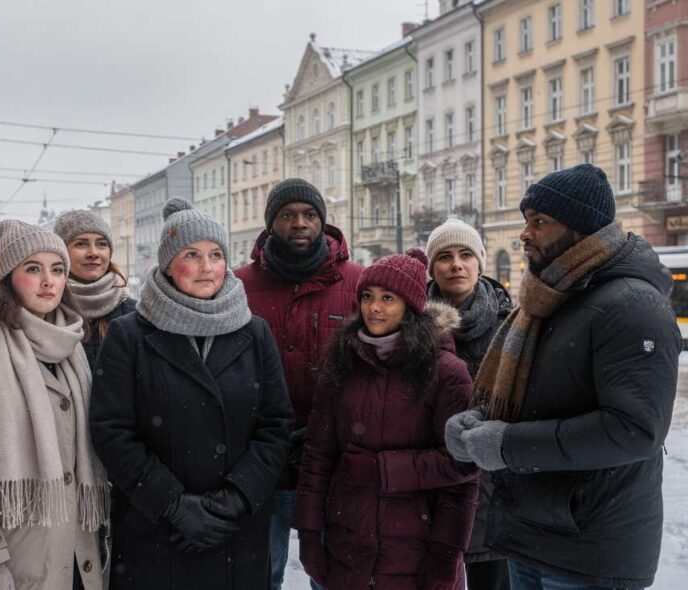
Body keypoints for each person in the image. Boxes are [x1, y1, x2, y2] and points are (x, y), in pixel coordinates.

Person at [445, 164, 681, 589]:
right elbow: (535, 396)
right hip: (532, 532)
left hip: (589, 546)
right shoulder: (548, 298)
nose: (524, 234)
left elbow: (634, 430)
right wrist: (478, 419)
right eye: (525, 221)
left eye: (539, 222)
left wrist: (507, 445)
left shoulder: (631, 305)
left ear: (581, 228)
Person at [91, 199, 294, 590]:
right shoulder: (129, 335)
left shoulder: (255, 333)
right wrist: (173, 505)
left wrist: (233, 499)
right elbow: (111, 430)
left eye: (216, 255)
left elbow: (276, 425)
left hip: (236, 531)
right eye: (192, 254)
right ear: (168, 264)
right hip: (156, 531)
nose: (207, 267)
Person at [0, 219, 110, 590]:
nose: (49, 281)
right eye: (33, 269)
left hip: (76, 554)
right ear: (8, 278)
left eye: (57, 269)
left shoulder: (71, 347)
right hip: (12, 561)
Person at [294, 249, 479, 590]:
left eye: (387, 298)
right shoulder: (342, 362)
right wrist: (308, 534)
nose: (374, 308)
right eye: (367, 296)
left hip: (417, 551)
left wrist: (446, 558)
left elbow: (462, 468)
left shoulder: (447, 372)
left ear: (410, 305)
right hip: (348, 544)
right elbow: (317, 457)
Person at [233, 178, 364, 590]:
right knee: (258, 574)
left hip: (334, 458)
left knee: (333, 574)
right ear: (271, 224)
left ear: (323, 223)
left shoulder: (358, 283)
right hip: (258, 458)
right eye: (287, 215)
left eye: (309, 215)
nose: (299, 223)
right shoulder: (238, 286)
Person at [424, 219, 512, 590]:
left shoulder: (510, 326)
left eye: (465, 255)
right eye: (444, 257)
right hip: (429, 480)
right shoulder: (412, 326)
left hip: (494, 487)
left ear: (480, 263)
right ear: (431, 268)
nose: (456, 264)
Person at [53, 209, 137, 370]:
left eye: (102, 244)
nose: (93, 253)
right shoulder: (47, 311)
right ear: (61, 252)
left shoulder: (134, 313)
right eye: (81, 244)